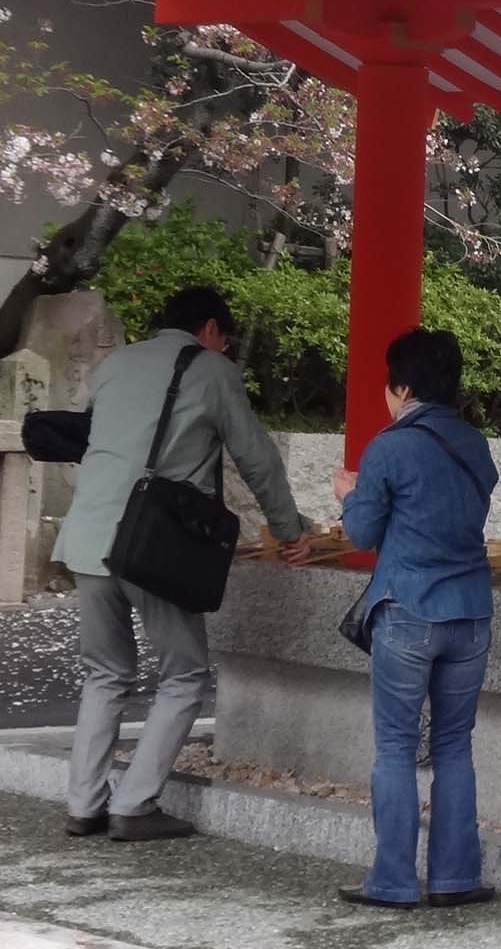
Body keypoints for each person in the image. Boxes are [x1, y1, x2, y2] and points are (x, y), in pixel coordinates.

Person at [54, 284, 313, 841]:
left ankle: (83, 805)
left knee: (104, 674)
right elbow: (257, 458)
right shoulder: (211, 370)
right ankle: (135, 804)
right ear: (211, 330)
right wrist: (290, 531)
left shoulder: (117, 364)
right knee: (185, 673)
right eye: (224, 337)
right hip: (151, 544)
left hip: (87, 537)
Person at [334, 326, 499, 908]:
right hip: (471, 613)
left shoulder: (389, 446)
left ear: (400, 387)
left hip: (407, 610)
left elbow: (362, 533)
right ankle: (456, 879)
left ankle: (393, 881)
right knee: (455, 744)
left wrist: (348, 493)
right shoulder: (475, 444)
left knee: (397, 748)